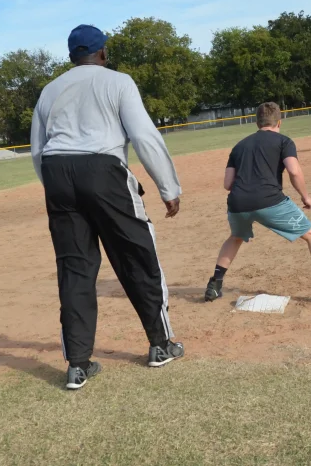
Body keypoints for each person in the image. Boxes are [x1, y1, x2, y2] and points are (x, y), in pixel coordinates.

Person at [31, 24, 184, 391]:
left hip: (57, 173)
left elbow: (38, 150)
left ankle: (78, 365)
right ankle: (160, 345)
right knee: (136, 255)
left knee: (75, 268)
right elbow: (144, 135)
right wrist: (168, 187)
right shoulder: (118, 82)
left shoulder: (49, 91)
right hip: (103, 169)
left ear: (71, 56)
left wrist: (57, 188)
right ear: (102, 53)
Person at [204, 102, 311, 305]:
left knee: (235, 237)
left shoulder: (239, 146)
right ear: (279, 122)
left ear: (257, 122)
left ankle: (214, 285)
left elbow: (227, 184)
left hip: (237, 203)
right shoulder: (284, 141)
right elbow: (293, 170)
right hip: (269, 201)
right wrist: (305, 196)